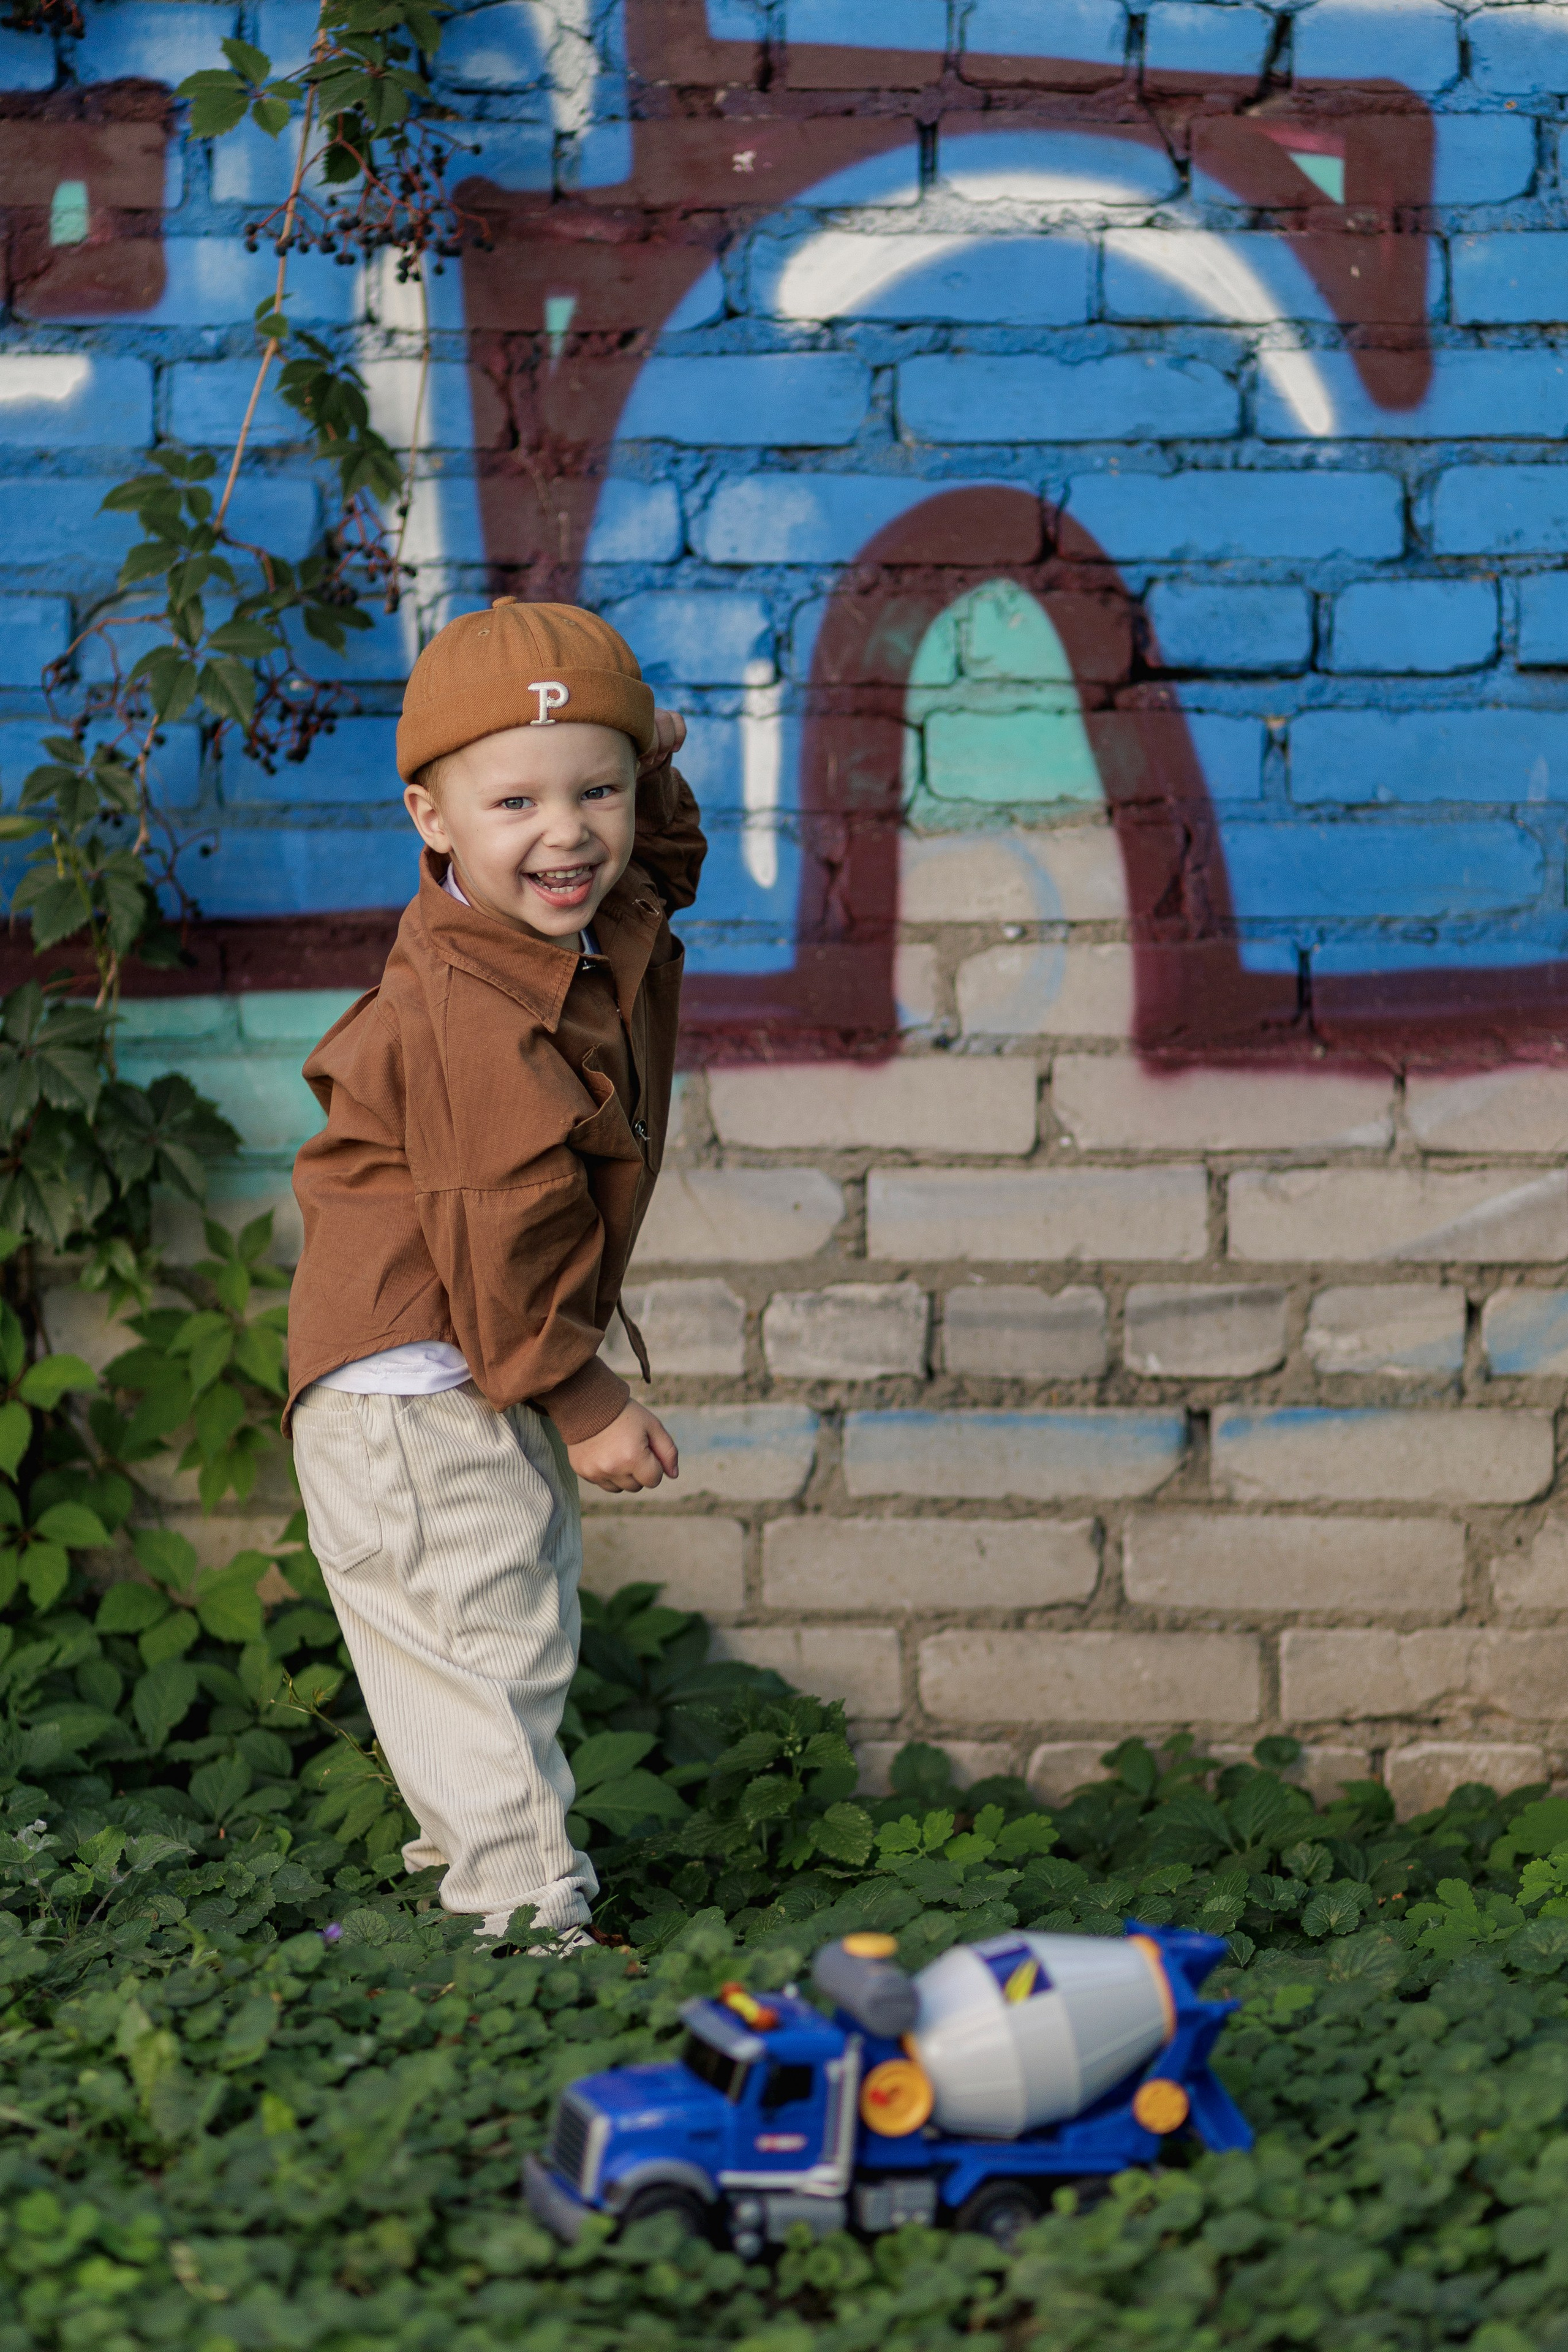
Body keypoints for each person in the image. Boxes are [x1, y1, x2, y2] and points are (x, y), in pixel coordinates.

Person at [284, 598, 703, 1947]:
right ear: (432, 818)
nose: (565, 832)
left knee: (485, 1625)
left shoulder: (541, 917)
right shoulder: (476, 1010)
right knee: (487, 1642)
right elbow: (504, 1232)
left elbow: (664, 859)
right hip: (419, 1374)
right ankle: (527, 1925)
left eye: (597, 791)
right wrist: (585, 1401)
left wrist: (645, 750)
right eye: (515, 801)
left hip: (454, 1358)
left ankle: (464, 1888)